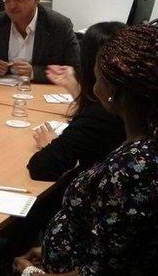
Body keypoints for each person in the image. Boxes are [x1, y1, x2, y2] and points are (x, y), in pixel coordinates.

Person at [13, 25, 158, 276]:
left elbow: (100, 274)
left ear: (113, 92)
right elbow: (118, 242)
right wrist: (54, 247)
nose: (92, 86)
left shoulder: (136, 170)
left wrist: (31, 274)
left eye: (96, 78)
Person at [27, 22, 126, 181]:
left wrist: (50, 144)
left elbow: (42, 167)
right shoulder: (131, 100)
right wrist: (77, 90)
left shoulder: (102, 115)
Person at [0, 0, 79, 83]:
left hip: (41, 90)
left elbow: (75, 70)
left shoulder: (58, 25)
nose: (11, 6)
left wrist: (34, 72)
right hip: (3, 90)